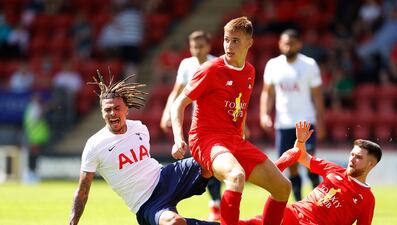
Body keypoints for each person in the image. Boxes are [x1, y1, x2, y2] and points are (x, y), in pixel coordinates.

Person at [170, 17, 291, 225]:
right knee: (236, 176)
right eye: (226, 40)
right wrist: (178, 139)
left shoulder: (250, 72)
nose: (229, 45)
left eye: (235, 40)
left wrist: (241, 131)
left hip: (234, 140)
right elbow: (178, 104)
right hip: (205, 138)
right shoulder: (210, 69)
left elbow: (239, 107)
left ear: (249, 43)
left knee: (283, 187)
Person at [68, 70, 220, 225]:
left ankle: (228, 202)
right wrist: (72, 222)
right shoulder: (95, 145)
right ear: (102, 113)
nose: (112, 113)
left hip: (165, 178)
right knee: (175, 223)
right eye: (107, 110)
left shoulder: (140, 128)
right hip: (146, 204)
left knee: (211, 159)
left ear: (126, 110)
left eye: (117, 108)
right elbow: (82, 191)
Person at [241, 121, 382, 225]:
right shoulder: (334, 169)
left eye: (359, 157)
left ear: (371, 164)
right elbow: (302, 156)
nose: (352, 159)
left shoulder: (367, 199)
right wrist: (300, 141)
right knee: (256, 222)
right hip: (294, 213)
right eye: (352, 154)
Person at [159, 30, 222, 221]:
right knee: (205, 162)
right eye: (194, 46)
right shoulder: (186, 65)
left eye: (200, 46)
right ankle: (216, 204)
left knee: (213, 162)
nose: (197, 50)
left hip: (218, 119)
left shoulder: (217, 64)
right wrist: (166, 112)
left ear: (208, 46)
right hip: (200, 121)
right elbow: (177, 91)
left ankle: (217, 204)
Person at [259, 29, 325, 201]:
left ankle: (318, 200)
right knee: (292, 166)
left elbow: (317, 95)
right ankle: (300, 203)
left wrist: (320, 120)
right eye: (285, 43)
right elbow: (268, 92)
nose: (288, 46)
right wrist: (264, 114)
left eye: (292, 43)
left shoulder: (309, 65)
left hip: (306, 122)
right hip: (283, 124)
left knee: (309, 162)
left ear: (299, 44)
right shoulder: (273, 65)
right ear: (280, 44)